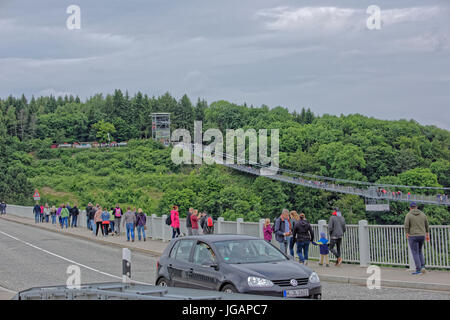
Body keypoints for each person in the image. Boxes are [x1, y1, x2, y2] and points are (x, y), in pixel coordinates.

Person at [404, 202, 430, 275]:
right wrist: (427, 234)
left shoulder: (409, 215)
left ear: (410, 207)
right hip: (422, 235)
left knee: (415, 253)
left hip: (413, 236)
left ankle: (418, 270)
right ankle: (423, 267)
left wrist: (407, 233)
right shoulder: (423, 214)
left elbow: (406, 225)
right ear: (417, 207)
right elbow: (427, 225)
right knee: (419, 251)